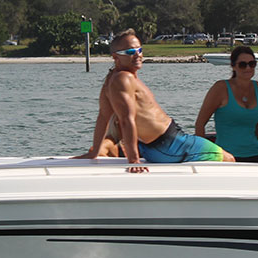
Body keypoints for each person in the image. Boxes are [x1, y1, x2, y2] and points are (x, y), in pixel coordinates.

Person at [80, 29, 234, 164]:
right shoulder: (123, 79)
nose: (137, 55)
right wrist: (133, 160)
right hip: (171, 145)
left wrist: (94, 152)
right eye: (130, 52)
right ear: (116, 57)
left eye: (139, 50)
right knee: (229, 159)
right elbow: (126, 119)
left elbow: (103, 117)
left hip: (155, 148)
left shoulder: (111, 80)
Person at [194, 46, 258, 162]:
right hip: (226, 158)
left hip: (255, 154)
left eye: (252, 64)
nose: (248, 68)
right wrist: (204, 156)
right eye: (242, 65)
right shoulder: (220, 88)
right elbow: (200, 124)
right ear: (233, 66)